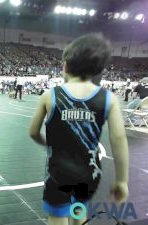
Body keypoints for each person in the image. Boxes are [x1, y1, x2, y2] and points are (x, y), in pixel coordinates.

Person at [29, 33, 129, 225]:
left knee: (58, 217)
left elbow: (33, 132)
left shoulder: (50, 96)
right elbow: (119, 140)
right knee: (79, 213)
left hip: (58, 173)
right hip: (88, 173)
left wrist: (47, 142)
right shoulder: (109, 99)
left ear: (65, 65)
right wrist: (122, 181)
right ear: (98, 69)